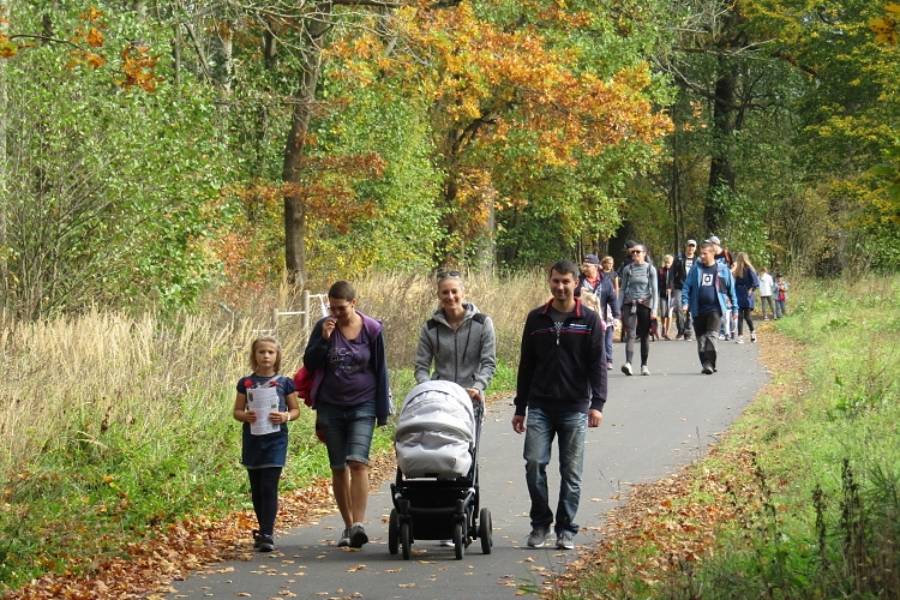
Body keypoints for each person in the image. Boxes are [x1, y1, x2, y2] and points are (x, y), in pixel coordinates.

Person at [512, 260, 606, 551]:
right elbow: (526, 364)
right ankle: (540, 524)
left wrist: (597, 403)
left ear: (576, 283)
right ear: (549, 282)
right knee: (534, 463)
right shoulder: (536, 319)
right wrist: (520, 407)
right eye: (556, 281)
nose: (561, 286)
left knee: (571, 472)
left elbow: (597, 364)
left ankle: (566, 528)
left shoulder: (589, 320)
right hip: (540, 405)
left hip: (575, 407)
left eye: (566, 281)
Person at [303, 281, 391, 549]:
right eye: (332, 308)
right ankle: (348, 524)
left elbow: (381, 368)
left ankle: (359, 524)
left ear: (354, 303)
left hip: (362, 404)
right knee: (339, 467)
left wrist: (382, 411)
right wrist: (324, 341)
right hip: (330, 405)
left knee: (358, 463)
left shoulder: (372, 330)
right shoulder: (323, 327)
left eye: (341, 308)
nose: (336, 313)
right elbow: (309, 363)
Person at [414, 271, 496, 546]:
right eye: (444, 293)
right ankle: (444, 520)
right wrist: (427, 389)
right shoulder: (431, 328)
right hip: (441, 401)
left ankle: (465, 516)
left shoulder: (483, 323)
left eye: (454, 292)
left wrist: (479, 385)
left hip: (470, 400)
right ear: (438, 295)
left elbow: (488, 362)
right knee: (442, 457)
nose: (450, 297)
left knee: (466, 458)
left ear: (463, 292)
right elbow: (422, 366)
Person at [233, 336, 300, 552]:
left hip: (275, 439)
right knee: (257, 489)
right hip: (253, 439)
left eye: (271, 352)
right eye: (261, 352)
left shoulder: (284, 383)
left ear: (277, 355)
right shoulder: (246, 383)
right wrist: (246, 416)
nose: (266, 356)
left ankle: (267, 534)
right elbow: (237, 411)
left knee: (270, 485)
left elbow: (295, 410)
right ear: (254, 355)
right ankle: (262, 530)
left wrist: (285, 417)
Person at [681, 241, 738, 374]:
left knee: (712, 336)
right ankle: (707, 363)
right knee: (701, 339)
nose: (701, 256)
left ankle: (709, 364)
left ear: (712, 254)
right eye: (700, 253)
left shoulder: (723, 269)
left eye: (704, 253)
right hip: (698, 309)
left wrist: (735, 308)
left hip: (715, 309)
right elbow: (686, 287)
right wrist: (685, 302)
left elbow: (731, 290)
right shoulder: (696, 269)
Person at [619, 243, 658, 376]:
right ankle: (628, 363)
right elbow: (622, 289)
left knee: (645, 335)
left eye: (638, 252)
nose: (634, 254)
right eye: (633, 252)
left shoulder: (650, 269)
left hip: (645, 304)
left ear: (644, 254)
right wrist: (619, 307)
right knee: (630, 333)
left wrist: (654, 309)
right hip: (629, 303)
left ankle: (644, 365)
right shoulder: (627, 269)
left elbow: (655, 291)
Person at [578, 254, 620, 370]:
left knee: (601, 341)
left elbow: (612, 298)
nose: (584, 268)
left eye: (587, 266)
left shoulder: (605, 281)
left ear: (596, 267)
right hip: (583, 318)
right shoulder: (579, 281)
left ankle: (602, 362)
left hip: (600, 317)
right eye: (584, 266)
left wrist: (616, 316)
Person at [670, 240, 697, 341]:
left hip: (692, 288)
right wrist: (670, 285)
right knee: (679, 308)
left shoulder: (698, 260)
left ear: (695, 248)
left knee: (690, 310)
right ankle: (681, 330)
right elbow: (672, 272)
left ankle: (688, 331)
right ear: (686, 246)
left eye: (693, 246)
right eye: (689, 246)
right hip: (679, 287)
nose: (690, 248)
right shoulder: (679, 258)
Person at [732, 252, 760, 343]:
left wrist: (751, 290)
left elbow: (755, 282)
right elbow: (735, 283)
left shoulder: (749, 269)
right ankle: (740, 336)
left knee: (747, 316)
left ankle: (753, 333)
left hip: (747, 294)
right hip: (738, 294)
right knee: (739, 316)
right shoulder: (737, 270)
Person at [600, 256, 620, 368]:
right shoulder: (600, 274)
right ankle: (603, 358)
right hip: (602, 303)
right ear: (604, 263)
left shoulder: (614, 274)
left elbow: (616, 288)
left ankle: (609, 358)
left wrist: (616, 301)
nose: (610, 265)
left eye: (612, 263)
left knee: (609, 332)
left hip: (611, 303)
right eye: (608, 263)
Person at [658, 254, 674, 340]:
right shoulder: (660, 271)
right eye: (666, 262)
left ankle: (667, 332)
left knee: (669, 313)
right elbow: (658, 282)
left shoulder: (674, 271)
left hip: (672, 295)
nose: (668, 264)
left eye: (670, 262)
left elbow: (676, 282)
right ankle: (663, 327)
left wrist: (671, 288)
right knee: (663, 313)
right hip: (663, 295)